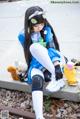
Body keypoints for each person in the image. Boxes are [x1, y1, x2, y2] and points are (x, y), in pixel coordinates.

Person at [18, 6, 66, 119]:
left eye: (41, 24)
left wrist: (56, 66)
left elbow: (52, 48)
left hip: (54, 60)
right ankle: (39, 116)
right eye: (36, 25)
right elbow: (31, 55)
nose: (40, 27)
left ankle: (57, 76)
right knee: (36, 79)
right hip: (37, 64)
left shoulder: (47, 30)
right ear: (29, 25)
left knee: (35, 47)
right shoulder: (23, 36)